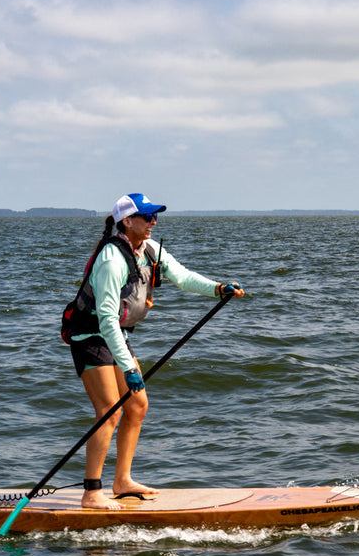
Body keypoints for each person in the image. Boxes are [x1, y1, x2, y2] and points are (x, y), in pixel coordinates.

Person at [65, 193, 244, 510]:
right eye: (147, 216)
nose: (154, 222)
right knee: (109, 410)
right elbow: (106, 319)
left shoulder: (149, 250)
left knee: (137, 405)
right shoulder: (111, 259)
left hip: (115, 335)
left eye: (155, 216)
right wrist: (129, 368)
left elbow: (183, 277)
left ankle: (122, 481)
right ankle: (91, 492)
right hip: (90, 334)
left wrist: (218, 288)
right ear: (127, 221)